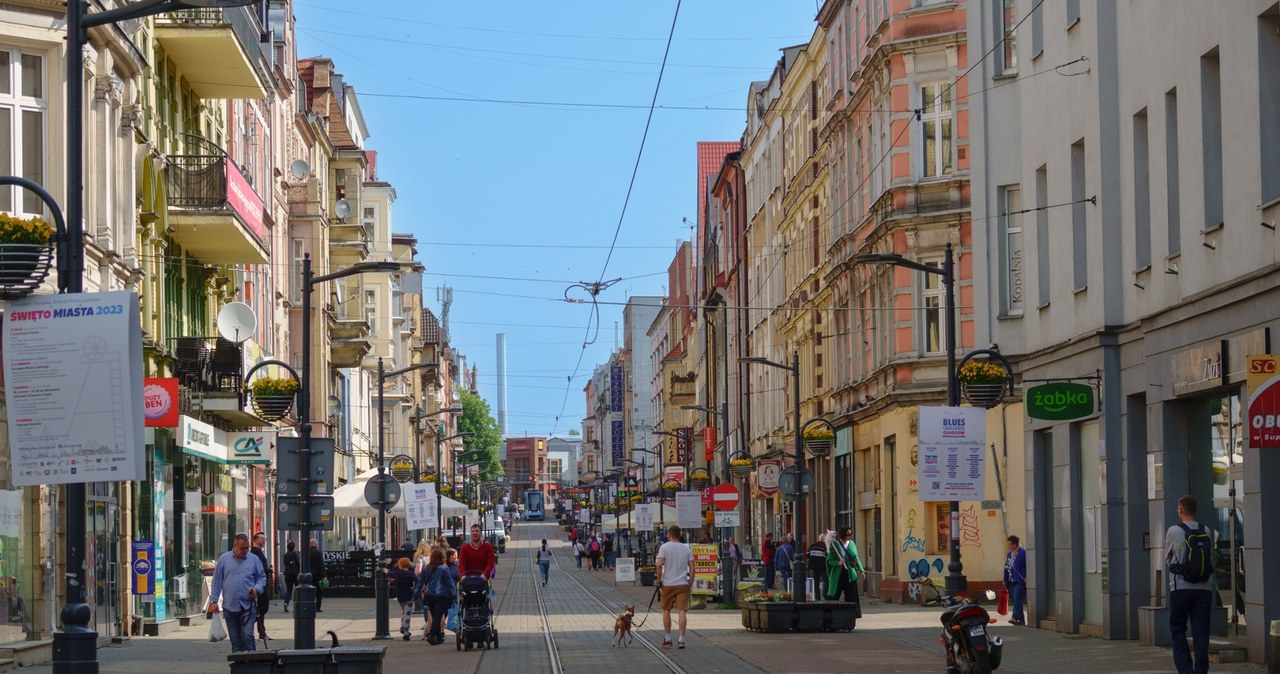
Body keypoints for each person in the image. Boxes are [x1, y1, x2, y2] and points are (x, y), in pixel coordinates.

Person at [1166, 495, 1217, 674]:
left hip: (1180, 589)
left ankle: (1186, 671)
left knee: (1178, 631)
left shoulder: (1174, 531)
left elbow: (1168, 558)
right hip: (1204, 589)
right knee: (1201, 633)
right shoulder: (1207, 530)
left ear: (1180, 510)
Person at [208, 533, 266, 653]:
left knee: (247, 635)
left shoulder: (254, 559)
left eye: (247, 547)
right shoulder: (224, 559)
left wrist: (256, 588)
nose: (245, 550)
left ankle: (251, 663)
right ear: (234, 546)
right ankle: (239, 665)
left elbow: (262, 578)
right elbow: (217, 580)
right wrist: (214, 601)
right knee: (235, 640)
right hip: (230, 605)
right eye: (242, 548)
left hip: (248, 605)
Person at [656, 525, 695, 650]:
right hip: (682, 583)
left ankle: (667, 638)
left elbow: (659, 565)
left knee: (666, 610)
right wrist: (690, 583)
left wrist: (658, 580)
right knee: (682, 611)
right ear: (679, 535)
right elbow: (693, 567)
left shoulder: (664, 547)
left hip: (667, 584)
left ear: (669, 535)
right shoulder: (686, 549)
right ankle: (681, 639)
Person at [416, 547, 458, 645]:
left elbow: (420, 582)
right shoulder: (444, 568)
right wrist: (454, 595)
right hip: (441, 596)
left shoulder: (427, 568)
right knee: (438, 617)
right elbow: (449, 582)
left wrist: (416, 594)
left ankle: (438, 637)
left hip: (429, 595)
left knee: (434, 615)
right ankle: (431, 635)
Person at [826, 527, 863, 607]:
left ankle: (853, 614)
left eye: (851, 533)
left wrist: (861, 570)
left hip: (850, 574)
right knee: (834, 595)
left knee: (852, 596)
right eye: (849, 534)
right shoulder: (835, 545)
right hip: (838, 574)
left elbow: (856, 557)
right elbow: (829, 561)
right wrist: (838, 563)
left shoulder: (852, 544)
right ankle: (829, 613)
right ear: (843, 535)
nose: (851, 535)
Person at [248, 532, 273, 641]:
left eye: (264, 538)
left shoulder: (257, 552)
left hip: (260, 584)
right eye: (261, 538)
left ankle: (261, 632)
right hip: (259, 586)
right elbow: (260, 569)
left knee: (261, 610)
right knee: (261, 609)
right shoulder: (256, 552)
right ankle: (260, 633)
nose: (264, 540)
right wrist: (269, 570)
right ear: (255, 540)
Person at [388, 557, 417, 641]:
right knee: (408, 614)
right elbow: (418, 580)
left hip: (400, 596)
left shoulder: (397, 573)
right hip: (409, 596)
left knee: (405, 612)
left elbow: (389, 574)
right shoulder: (410, 574)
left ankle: (402, 627)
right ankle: (406, 632)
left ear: (400, 564)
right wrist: (414, 588)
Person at [1003, 535, 1028, 626]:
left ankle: (1014, 617)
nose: (1008, 546)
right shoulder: (1009, 554)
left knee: (1017, 599)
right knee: (1015, 600)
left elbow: (1027, 565)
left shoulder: (1022, 553)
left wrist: (1026, 576)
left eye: (1009, 544)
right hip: (1011, 580)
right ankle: (1021, 620)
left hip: (1019, 580)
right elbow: (1006, 567)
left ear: (1015, 544)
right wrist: (1005, 579)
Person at [281, 540, 299, 613]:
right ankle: (297, 603)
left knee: (289, 590)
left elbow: (285, 564)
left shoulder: (285, 555)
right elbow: (298, 563)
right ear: (294, 547)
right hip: (296, 574)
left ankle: (286, 602)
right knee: (298, 589)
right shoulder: (296, 554)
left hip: (288, 574)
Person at [308, 539, 325, 612]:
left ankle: (309, 606)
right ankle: (317, 607)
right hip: (318, 575)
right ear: (315, 544)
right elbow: (321, 565)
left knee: (309, 592)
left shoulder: (306, 552)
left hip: (308, 575)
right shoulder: (318, 553)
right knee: (319, 592)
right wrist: (323, 575)